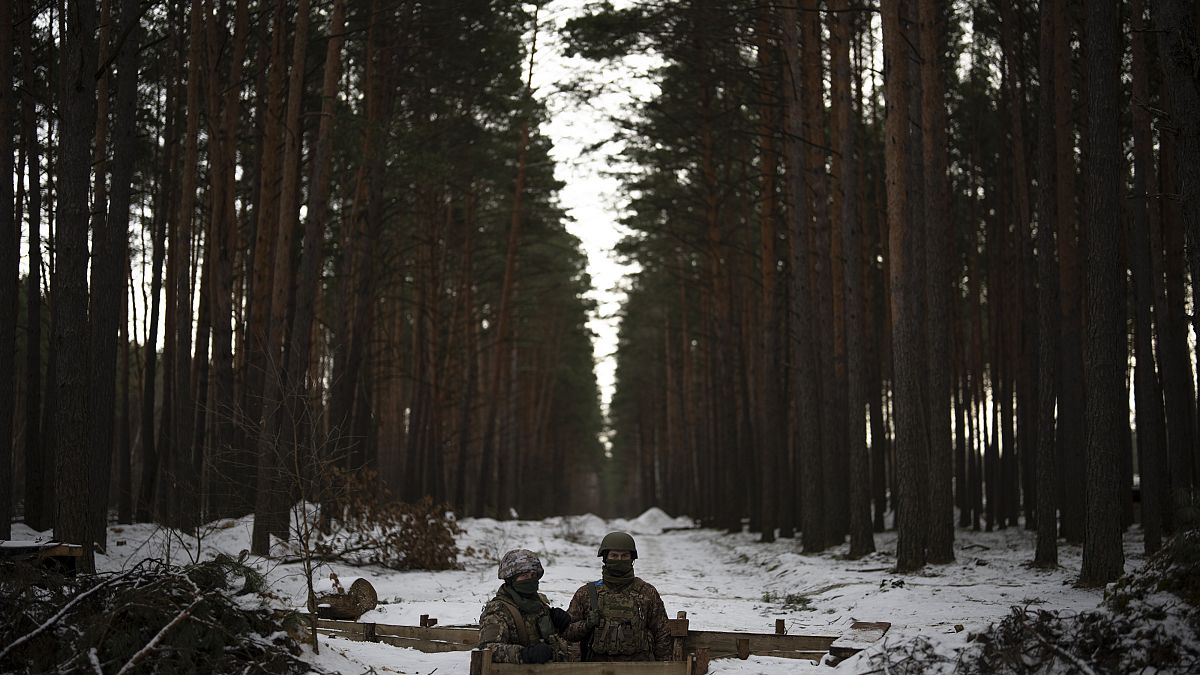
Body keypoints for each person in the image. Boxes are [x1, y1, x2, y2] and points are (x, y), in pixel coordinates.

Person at [562, 531, 672, 661]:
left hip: (639, 669)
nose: (619, 560)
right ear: (605, 558)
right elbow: (567, 633)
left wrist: (663, 669)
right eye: (614, 555)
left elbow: (662, 634)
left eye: (624, 556)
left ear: (632, 559)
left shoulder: (647, 593)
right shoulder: (587, 593)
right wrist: (586, 625)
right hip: (595, 668)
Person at [477, 548, 574, 664]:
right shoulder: (498, 610)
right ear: (511, 579)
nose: (530, 579)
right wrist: (524, 654)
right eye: (524, 575)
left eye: (533, 575)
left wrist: (557, 623)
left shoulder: (538, 604)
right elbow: (487, 649)